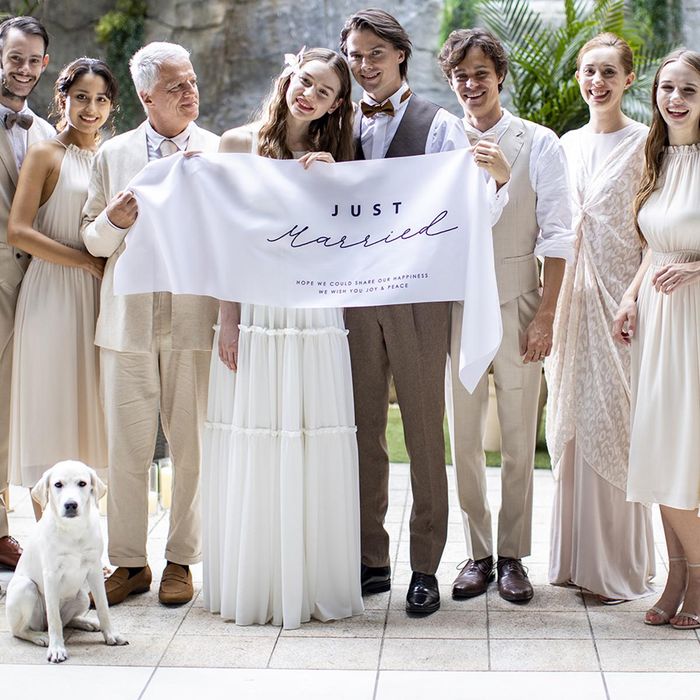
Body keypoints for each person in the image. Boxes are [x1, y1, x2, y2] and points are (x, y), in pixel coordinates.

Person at [340, 9, 507, 615]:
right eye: (355, 56)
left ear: (400, 55)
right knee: (361, 430)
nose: (365, 67)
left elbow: (472, 208)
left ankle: (425, 567)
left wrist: (497, 182)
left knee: (422, 431)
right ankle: (371, 557)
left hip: (418, 296)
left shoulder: (439, 125)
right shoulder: (337, 121)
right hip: (352, 298)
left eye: (375, 55)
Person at [201, 47, 363, 630]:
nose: (309, 96)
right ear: (288, 78)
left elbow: (350, 243)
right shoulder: (237, 144)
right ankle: (259, 580)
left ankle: (311, 580)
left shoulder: (338, 157)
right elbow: (224, 240)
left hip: (314, 314)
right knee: (258, 433)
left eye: (324, 92)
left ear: (336, 105)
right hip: (257, 311)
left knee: (308, 433)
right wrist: (228, 319)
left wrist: (333, 186)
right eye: (305, 82)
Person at [81, 42, 219, 606]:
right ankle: (130, 562)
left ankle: (182, 559)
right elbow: (91, 240)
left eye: (192, 81)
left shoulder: (219, 151)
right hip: (126, 323)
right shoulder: (112, 154)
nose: (190, 93)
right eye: (175, 86)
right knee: (126, 450)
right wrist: (113, 220)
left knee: (193, 448)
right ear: (145, 96)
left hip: (195, 321)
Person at [439, 28, 573, 603]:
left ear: (500, 77)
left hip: (520, 300)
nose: (471, 85)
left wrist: (545, 315)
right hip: (457, 305)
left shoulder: (539, 142)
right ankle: (477, 554)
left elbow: (560, 235)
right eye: (461, 76)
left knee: (519, 438)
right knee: (463, 437)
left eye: (481, 74)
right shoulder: (441, 140)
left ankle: (514, 555)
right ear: (450, 81)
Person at [546, 33, 655, 603]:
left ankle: (615, 565)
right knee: (570, 419)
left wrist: (632, 297)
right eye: (589, 71)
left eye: (609, 72)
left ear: (629, 79)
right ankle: (574, 560)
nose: (598, 82)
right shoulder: (565, 145)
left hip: (622, 303)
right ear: (579, 78)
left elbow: (654, 231)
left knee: (616, 420)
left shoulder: (647, 143)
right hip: (571, 304)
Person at [614, 49, 700, 629]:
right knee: (662, 451)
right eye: (667, 88)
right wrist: (629, 296)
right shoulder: (657, 157)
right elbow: (653, 247)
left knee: (683, 452)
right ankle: (677, 577)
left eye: (688, 89)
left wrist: (697, 267)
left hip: (693, 321)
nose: (675, 99)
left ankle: (699, 576)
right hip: (656, 321)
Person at [7, 58, 116, 520]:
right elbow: (18, 231)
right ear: (63, 98)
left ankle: (90, 542)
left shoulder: (113, 156)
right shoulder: (45, 154)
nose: (91, 109)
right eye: (81, 97)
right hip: (52, 292)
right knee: (52, 409)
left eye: (101, 99)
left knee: (94, 411)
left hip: (100, 297)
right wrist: (83, 261)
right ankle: (49, 542)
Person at [0, 15, 54, 570]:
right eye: (15, 57)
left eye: (33, 60)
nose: (23, 68)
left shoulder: (45, 132)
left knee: (22, 405)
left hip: (35, 286)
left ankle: (30, 531)